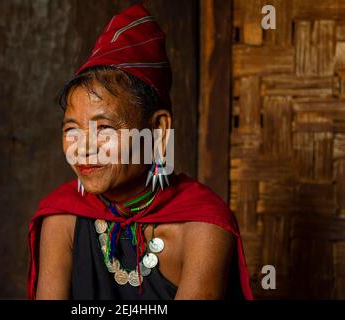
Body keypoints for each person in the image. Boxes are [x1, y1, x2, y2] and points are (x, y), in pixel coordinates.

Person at [27, 3, 253, 300]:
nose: (82, 148)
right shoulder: (61, 219)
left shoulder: (203, 227)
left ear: (158, 130)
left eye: (104, 128)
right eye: (71, 129)